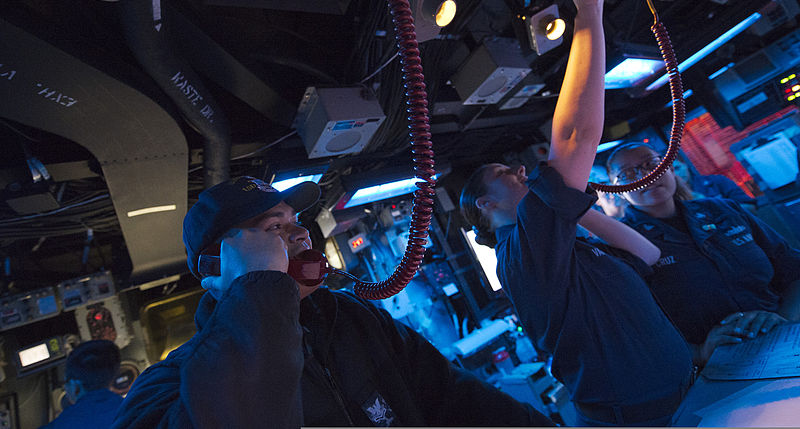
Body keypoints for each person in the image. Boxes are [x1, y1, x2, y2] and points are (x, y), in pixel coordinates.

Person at [459, 0, 694, 427]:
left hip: (680, 393)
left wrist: (573, 204)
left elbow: (647, 254)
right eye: (508, 174)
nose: (522, 172)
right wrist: (588, 8)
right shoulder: (524, 250)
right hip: (639, 416)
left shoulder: (561, 243)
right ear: (486, 205)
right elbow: (574, 137)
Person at [112, 176, 555, 428]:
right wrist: (260, 289)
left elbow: (455, 397)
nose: (303, 235)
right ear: (215, 266)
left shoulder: (353, 318)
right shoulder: (167, 386)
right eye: (273, 229)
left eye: (295, 221)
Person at [605, 142, 800, 366]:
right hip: (716, 369)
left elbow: (793, 269)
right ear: (616, 189)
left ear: (669, 167)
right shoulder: (618, 245)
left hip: (786, 339)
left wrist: (784, 318)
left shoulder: (724, 210)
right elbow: (632, 328)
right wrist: (699, 353)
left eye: (652, 164)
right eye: (628, 173)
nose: (647, 175)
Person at [42, 340, 122, 429]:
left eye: (65, 383)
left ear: (75, 386)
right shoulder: (134, 412)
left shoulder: (61, 425)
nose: (65, 387)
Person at [671, 153, 756, 206]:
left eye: (677, 168)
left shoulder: (717, 181)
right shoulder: (672, 200)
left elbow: (750, 207)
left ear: (685, 165)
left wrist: (712, 205)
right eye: (671, 172)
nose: (677, 175)